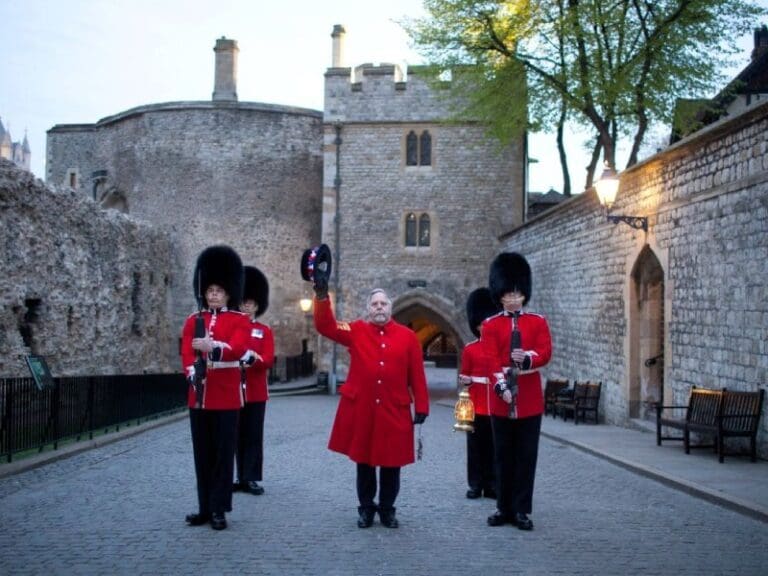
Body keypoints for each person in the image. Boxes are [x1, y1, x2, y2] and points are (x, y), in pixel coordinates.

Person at [312, 281, 429, 529]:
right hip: (363, 409)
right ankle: (366, 508)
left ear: (390, 308)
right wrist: (321, 296)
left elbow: (417, 375)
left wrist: (422, 406)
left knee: (391, 464)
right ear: (368, 309)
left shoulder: (408, 337)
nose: (379, 307)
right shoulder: (355, 330)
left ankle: (387, 509)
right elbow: (326, 326)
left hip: (393, 410)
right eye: (374, 304)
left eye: (383, 303)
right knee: (363, 463)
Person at [481, 252, 552, 531]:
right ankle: (503, 507)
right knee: (502, 456)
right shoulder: (491, 325)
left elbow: (546, 351)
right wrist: (501, 387)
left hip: (530, 400)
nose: (512, 298)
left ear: (524, 293)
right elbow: (489, 360)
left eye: (517, 293)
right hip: (501, 402)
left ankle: (521, 510)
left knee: (526, 457)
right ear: (499, 295)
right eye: (507, 294)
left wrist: (529, 358)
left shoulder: (537, 321)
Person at [181, 245, 249, 531]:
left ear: (228, 293)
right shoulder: (193, 320)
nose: (213, 295)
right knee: (203, 455)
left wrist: (214, 348)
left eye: (218, 291)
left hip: (226, 397)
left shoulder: (239, 321)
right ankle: (204, 508)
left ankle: (220, 508)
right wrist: (191, 372)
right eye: (209, 291)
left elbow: (238, 348)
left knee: (223, 456)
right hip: (199, 397)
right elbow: (186, 351)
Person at [234, 266, 275, 495]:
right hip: (232, 390)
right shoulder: (231, 329)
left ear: (257, 306)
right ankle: (237, 476)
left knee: (252, 435)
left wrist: (252, 360)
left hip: (255, 391)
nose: (246, 306)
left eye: (250, 303)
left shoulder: (264, 331)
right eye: (243, 302)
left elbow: (268, 359)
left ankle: (250, 477)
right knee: (234, 435)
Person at [458, 287, 499, 500]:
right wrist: (466, 380)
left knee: (493, 448)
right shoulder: (470, 349)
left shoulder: (499, 350)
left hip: (494, 404)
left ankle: (491, 485)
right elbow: (464, 374)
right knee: (474, 449)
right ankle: (475, 485)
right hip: (474, 405)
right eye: (481, 324)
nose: (484, 327)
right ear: (477, 326)